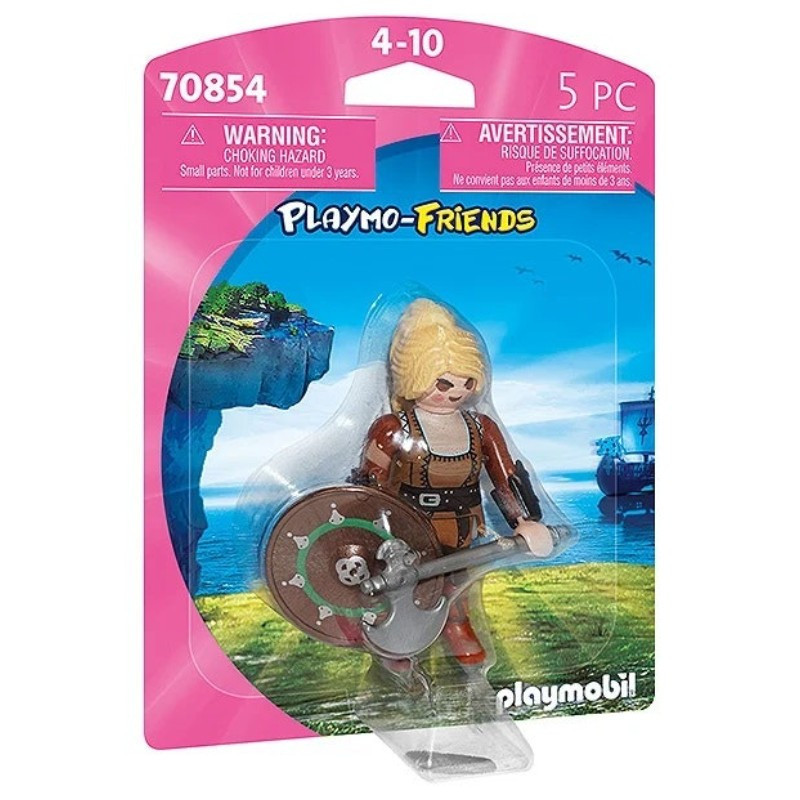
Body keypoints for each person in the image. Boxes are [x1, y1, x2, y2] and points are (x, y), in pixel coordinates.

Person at [358, 299, 555, 666]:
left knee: (458, 584)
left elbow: (505, 477)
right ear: (415, 376)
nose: (455, 392)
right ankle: (395, 640)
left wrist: (524, 521)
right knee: (404, 585)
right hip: (410, 529)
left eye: (466, 383)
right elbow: (371, 485)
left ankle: (457, 625)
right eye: (444, 383)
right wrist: (383, 535)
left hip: (464, 527)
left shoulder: (481, 428)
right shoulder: (391, 428)